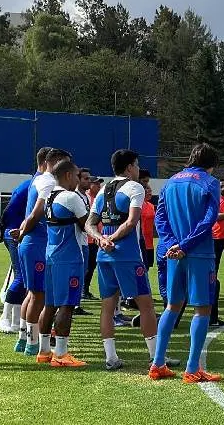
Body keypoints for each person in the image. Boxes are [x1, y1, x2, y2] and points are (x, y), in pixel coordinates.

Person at [85, 149, 164, 371]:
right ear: (129, 167)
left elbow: (89, 224)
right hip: (127, 255)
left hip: (104, 255)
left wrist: (101, 239)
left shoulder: (102, 191)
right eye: (137, 165)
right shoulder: (134, 187)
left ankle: (111, 358)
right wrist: (112, 238)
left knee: (107, 307)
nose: (138, 169)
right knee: (146, 305)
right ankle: (155, 358)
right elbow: (131, 222)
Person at [151, 143, 223, 383]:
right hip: (198, 253)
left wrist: (173, 243)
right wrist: (186, 245)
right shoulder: (209, 182)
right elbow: (209, 218)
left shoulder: (170, 182)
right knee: (202, 308)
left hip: (174, 253)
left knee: (172, 306)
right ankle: (193, 368)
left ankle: (157, 363)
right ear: (211, 165)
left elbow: (160, 217)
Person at [12, 148, 72, 356]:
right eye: (64, 163)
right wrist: (22, 232)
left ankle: (23, 338)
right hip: (37, 243)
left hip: (32, 242)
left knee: (33, 293)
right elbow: (37, 213)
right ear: (53, 162)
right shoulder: (48, 181)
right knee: (39, 295)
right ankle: (31, 342)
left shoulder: (39, 179)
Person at [36, 159, 90, 368]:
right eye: (77, 175)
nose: (78, 179)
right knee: (67, 305)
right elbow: (88, 226)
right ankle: (61, 353)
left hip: (51, 255)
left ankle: (44, 351)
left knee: (49, 304)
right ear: (68, 175)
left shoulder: (50, 196)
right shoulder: (71, 197)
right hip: (69, 258)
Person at [0, 148, 48, 335]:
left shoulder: (35, 183)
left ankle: (21, 319)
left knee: (28, 281)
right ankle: (5, 317)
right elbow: (11, 211)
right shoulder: (34, 184)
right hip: (18, 233)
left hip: (25, 234)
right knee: (20, 277)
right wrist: (12, 231)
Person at [73, 167, 93, 316]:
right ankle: (73, 304)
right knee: (77, 272)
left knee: (83, 271)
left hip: (84, 241)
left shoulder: (85, 196)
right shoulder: (74, 196)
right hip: (76, 241)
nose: (89, 181)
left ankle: (76, 303)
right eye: (85, 178)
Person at [83, 175, 103, 300]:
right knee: (87, 267)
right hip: (87, 240)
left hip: (95, 239)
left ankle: (86, 289)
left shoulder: (98, 198)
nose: (99, 186)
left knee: (91, 267)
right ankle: (83, 291)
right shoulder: (87, 198)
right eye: (96, 184)